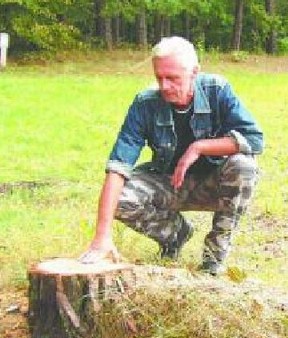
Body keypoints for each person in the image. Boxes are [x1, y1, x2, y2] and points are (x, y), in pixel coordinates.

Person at [80, 36, 264, 275]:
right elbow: (118, 166)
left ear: (194, 72)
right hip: (170, 182)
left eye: (173, 78)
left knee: (244, 166)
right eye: (159, 78)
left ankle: (213, 258)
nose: (165, 86)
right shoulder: (145, 104)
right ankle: (175, 235)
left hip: (215, 183)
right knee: (120, 199)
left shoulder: (217, 90)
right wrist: (101, 237)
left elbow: (254, 139)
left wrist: (198, 147)